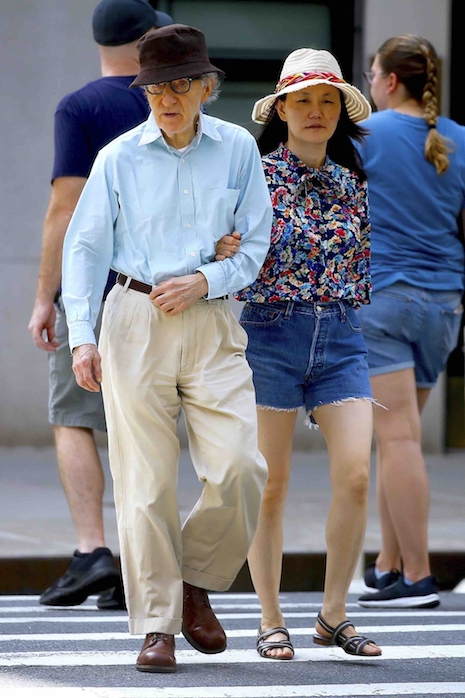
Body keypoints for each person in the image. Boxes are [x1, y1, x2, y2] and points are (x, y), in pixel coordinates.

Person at [61, 24, 271, 673]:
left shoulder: (238, 149)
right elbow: (84, 248)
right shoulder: (118, 157)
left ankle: (194, 580)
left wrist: (207, 277)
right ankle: (157, 624)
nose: (167, 99)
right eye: (155, 88)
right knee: (145, 484)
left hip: (211, 321)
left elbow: (256, 244)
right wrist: (82, 338)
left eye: (180, 85)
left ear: (206, 87)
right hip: (133, 318)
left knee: (241, 466)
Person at [219, 47, 381, 659]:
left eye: (327, 100)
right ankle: (270, 617)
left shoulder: (351, 183)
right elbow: (226, 257)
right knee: (270, 483)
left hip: (340, 335)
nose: (316, 110)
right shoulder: (253, 177)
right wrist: (226, 248)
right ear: (281, 109)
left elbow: (360, 267)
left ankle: (333, 615)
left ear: (341, 109)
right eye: (303, 100)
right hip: (271, 335)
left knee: (356, 475)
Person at [27, 0, 173, 610]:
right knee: (141, 427)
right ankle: (144, 563)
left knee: (74, 417)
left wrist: (45, 297)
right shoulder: (173, 101)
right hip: (164, 292)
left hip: (95, 291)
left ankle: (93, 552)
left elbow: (65, 209)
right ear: (147, 39)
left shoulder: (80, 107)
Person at [356, 35, 464, 609]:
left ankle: (418, 577)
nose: (369, 84)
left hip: (384, 299)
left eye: (371, 75)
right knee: (402, 440)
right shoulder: (460, 139)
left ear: (390, 81)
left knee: (396, 438)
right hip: (444, 304)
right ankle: (388, 564)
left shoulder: (366, 134)